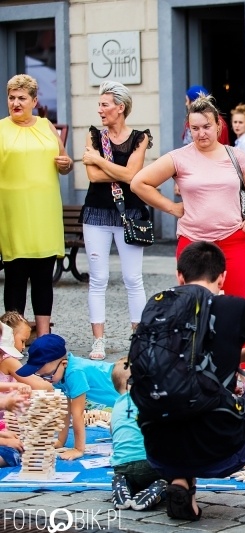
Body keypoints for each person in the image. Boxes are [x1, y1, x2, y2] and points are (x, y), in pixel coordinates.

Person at [138, 241, 245, 520]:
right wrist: (238, 351)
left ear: (179, 276)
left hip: (159, 451)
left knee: (178, 398)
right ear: (222, 278)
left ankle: (181, 483)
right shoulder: (234, 307)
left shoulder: (155, 308)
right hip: (222, 450)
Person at [131, 95, 245, 300]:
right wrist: (171, 208)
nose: (201, 133)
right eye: (195, 128)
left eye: (206, 126)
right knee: (194, 306)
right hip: (193, 243)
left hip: (233, 240)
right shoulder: (179, 157)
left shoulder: (237, 156)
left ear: (218, 125)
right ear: (189, 128)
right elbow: (139, 183)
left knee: (234, 306)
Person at [80, 81, 151, 360]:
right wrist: (118, 170)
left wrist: (99, 159)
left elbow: (133, 176)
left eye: (105, 104)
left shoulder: (140, 137)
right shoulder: (94, 136)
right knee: (98, 279)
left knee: (133, 279)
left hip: (129, 214)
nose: (100, 110)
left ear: (120, 108)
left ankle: (137, 338)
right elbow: (94, 177)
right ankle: (99, 340)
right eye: (99, 104)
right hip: (96, 213)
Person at [0, 74, 73, 337]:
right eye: (11, 97)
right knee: (15, 277)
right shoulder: (1, 129)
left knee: (44, 277)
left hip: (44, 211)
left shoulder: (45, 126)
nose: (16, 103)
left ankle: (43, 339)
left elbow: (64, 161)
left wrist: (66, 164)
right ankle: (12, 339)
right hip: (13, 212)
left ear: (34, 100)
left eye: (22, 98)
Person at [15, 333, 119, 460]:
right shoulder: (57, 375)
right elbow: (65, 412)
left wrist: (78, 449)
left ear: (63, 363)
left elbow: (78, 414)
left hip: (132, 388)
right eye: (41, 376)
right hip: (121, 398)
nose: (46, 380)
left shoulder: (75, 372)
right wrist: (60, 442)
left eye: (47, 375)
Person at [109, 359, 166, 511]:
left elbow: (112, 431)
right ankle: (158, 489)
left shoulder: (117, 406)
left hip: (121, 465)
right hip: (150, 464)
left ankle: (123, 484)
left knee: (132, 476)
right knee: (178, 477)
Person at [0, 315, 52, 391]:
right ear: (11, 337)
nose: (24, 347)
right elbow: (37, 386)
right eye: (22, 341)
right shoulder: (8, 360)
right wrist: (51, 384)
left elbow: (31, 376)